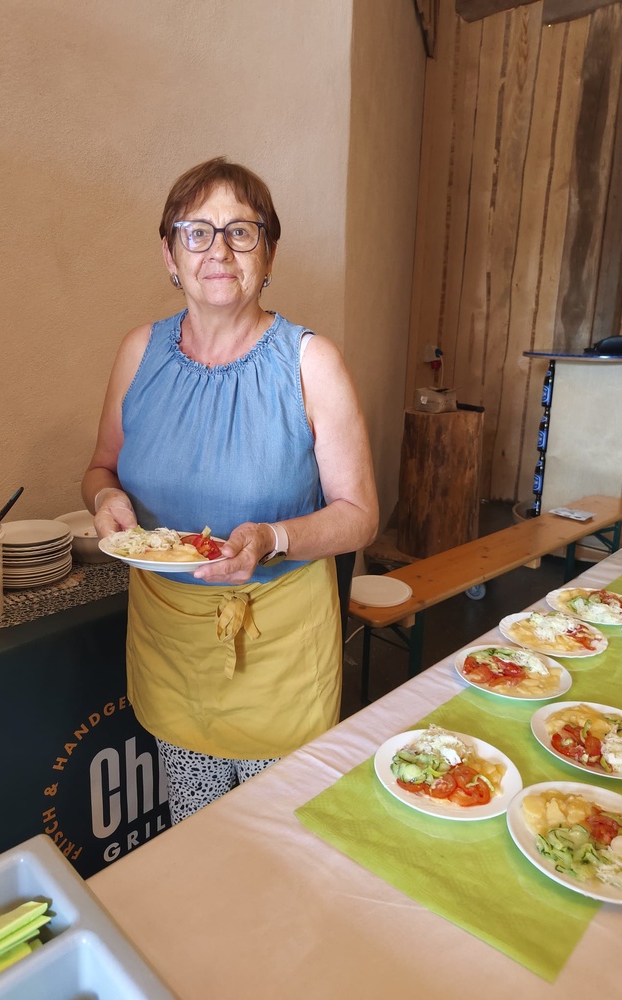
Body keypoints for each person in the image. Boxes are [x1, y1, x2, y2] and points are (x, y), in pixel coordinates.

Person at [82, 156, 379, 824]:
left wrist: (274, 537)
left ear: (268, 253)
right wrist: (104, 499)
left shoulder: (311, 362)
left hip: (281, 649)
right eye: (197, 232)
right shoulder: (138, 352)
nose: (218, 250)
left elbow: (360, 516)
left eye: (241, 231)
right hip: (169, 639)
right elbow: (100, 467)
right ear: (170, 254)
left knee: (285, 836)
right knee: (199, 830)